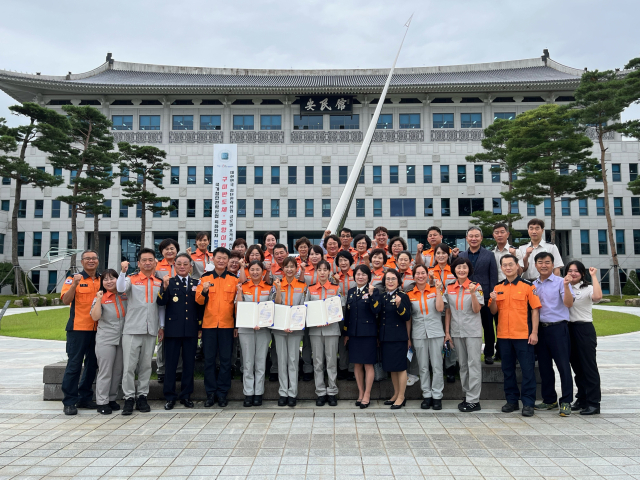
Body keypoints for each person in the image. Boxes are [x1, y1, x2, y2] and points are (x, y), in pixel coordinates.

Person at [489, 254, 541, 417]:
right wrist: (493, 301)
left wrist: (534, 332)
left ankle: (528, 403)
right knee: (508, 370)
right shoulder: (498, 287)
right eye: (504, 265)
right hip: (504, 336)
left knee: (527, 370)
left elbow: (535, 309)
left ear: (518, 266)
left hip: (524, 336)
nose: (508, 267)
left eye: (510, 264)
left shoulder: (527, 286)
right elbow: (493, 312)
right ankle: (511, 401)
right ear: (501, 268)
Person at [117, 248, 163, 415]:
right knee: (129, 367)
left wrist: (161, 327)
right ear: (139, 263)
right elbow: (121, 289)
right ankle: (129, 398)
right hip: (132, 329)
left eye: (151, 260)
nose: (147, 263)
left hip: (151, 330)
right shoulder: (131, 279)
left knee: (145, 366)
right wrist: (122, 272)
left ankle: (142, 396)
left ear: (155, 262)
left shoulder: (159, 282)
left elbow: (161, 307)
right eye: (144, 260)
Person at [155, 253, 200, 410]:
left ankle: (186, 395)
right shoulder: (169, 282)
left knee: (189, 364)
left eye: (185, 264)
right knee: (171, 364)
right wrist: (165, 288)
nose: (182, 266)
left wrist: (199, 326)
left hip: (191, 329)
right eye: (179, 264)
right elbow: (161, 302)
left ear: (190, 266)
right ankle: (170, 396)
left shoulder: (196, 283)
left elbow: (200, 307)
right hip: (172, 330)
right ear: (174, 266)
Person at [195, 247, 239, 408]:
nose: (221, 261)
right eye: (218, 258)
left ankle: (222, 393)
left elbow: (236, 305)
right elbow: (198, 301)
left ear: (228, 261)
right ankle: (210, 393)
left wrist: (236, 325)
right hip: (209, 326)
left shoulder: (234, 280)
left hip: (227, 326)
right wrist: (205, 290)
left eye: (224, 258)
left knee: (226, 361)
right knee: (209, 361)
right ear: (212, 260)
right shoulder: (204, 278)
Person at [532, 252, 574, 417]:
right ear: (535, 265)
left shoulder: (561, 282)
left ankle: (566, 401)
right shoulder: (533, 285)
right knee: (544, 367)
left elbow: (568, 304)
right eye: (540, 262)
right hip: (540, 330)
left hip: (558, 329)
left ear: (553, 264)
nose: (544, 265)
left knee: (563, 366)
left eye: (547, 262)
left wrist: (565, 286)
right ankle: (549, 400)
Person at [60, 250, 101, 415]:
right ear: (82, 261)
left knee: (92, 365)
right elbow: (65, 300)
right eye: (87, 258)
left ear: (98, 261)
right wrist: (75, 285)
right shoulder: (73, 279)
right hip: (78, 329)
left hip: (98, 329)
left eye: (94, 258)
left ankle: (85, 397)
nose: (91, 261)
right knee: (74, 365)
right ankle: (69, 401)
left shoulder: (101, 279)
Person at [445, 258, 484, 412]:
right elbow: (448, 311)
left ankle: (474, 400)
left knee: (473, 364)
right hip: (456, 331)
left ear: (469, 270)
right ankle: (467, 395)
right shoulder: (449, 288)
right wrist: (447, 332)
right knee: (462, 364)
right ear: (454, 270)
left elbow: (476, 310)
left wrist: (473, 294)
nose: (461, 270)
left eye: (465, 268)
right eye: (459, 268)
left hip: (472, 331)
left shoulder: (477, 286)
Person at [456, 227, 498, 365]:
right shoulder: (461, 255)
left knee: (488, 326)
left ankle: (488, 353)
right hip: (466, 296)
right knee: (468, 326)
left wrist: (491, 295)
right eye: (471, 236)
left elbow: (493, 276)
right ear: (466, 238)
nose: (473, 238)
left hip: (484, 296)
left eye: (476, 236)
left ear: (481, 238)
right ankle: (467, 353)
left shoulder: (489, 255)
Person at [237, 260, 275, 407]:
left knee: (260, 362)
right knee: (247, 362)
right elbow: (239, 306)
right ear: (248, 271)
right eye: (252, 269)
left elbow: (272, 307)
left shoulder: (269, 288)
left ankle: (258, 393)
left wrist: (263, 322)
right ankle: (248, 393)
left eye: (258, 269)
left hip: (263, 329)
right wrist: (239, 292)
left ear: (263, 271)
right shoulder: (243, 287)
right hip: (246, 329)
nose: (255, 272)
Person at [566, 261, 602, 415]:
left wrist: (594, 276)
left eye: (577, 271)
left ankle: (594, 403)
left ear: (582, 273)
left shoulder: (587, 288)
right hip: (569, 329)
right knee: (577, 368)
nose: (573, 273)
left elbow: (597, 297)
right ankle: (582, 398)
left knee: (589, 367)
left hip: (584, 329)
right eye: (570, 270)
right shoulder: (564, 286)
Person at [407, 264, 445, 410]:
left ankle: (437, 396)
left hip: (435, 332)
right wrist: (408, 337)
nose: (420, 276)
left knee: (437, 365)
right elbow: (409, 318)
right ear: (414, 276)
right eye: (418, 273)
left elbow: (440, 309)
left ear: (427, 275)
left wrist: (439, 290)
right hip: (418, 333)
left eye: (423, 273)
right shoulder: (410, 293)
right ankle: (427, 395)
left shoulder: (435, 290)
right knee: (422, 366)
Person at [344, 265, 381, 409]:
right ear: (354, 276)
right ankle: (360, 392)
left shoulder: (373, 291)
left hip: (368, 333)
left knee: (368, 364)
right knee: (357, 364)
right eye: (358, 274)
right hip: (354, 333)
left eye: (364, 274)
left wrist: (372, 296)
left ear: (368, 277)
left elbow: (377, 309)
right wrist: (346, 333)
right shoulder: (351, 292)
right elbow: (348, 315)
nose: (360, 277)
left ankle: (367, 394)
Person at [90, 269, 126, 415]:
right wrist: (98, 299)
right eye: (105, 279)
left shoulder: (124, 295)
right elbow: (95, 317)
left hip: (123, 337)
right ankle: (102, 401)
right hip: (106, 338)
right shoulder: (101, 297)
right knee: (105, 371)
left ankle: (112, 398)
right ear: (102, 283)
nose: (109, 282)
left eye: (112, 278)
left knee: (117, 371)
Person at [272, 257, 308, 407]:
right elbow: (276, 304)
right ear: (283, 269)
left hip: (295, 327)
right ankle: (283, 392)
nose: (289, 269)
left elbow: (302, 307)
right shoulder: (276, 284)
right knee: (282, 360)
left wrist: (293, 324)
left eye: (292, 267)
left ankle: (292, 393)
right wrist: (279, 289)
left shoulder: (302, 285)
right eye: (287, 267)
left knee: (292, 360)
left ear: (296, 269)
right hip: (280, 327)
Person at [306, 260, 341, 406]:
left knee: (331, 362)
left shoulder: (335, 288)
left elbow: (340, 308)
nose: (322, 272)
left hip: (331, 329)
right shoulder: (310, 289)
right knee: (318, 362)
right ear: (316, 272)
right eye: (319, 270)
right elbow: (306, 308)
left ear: (329, 272)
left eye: (325, 270)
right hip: (315, 330)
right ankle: (320, 392)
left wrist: (330, 318)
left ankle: (332, 391)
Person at [379, 269, 411, 409]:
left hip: (398, 337)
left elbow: (407, 317)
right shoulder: (383, 296)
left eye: (393, 279)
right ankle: (396, 393)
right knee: (392, 368)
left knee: (400, 367)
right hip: (386, 337)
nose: (390, 281)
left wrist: (399, 306)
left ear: (398, 281)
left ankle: (401, 396)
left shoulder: (403, 296)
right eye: (388, 279)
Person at [154, 238, 180, 384]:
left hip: (179, 305)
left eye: (172, 248)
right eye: (166, 249)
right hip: (162, 304)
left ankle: (179, 369)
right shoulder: (157, 265)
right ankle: (161, 369)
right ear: (162, 251)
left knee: (179, 337)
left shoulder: (181, 263)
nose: (169, 251)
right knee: (162, 337)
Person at [267, 243, 289, 382]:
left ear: (287, 253)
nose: (279, 255)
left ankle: (291, 368)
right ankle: (275, 368)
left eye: (282, 253)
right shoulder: (271, 270)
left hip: (291, 308)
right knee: (276, 342)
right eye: (277, 254)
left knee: (292, 342)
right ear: (273, 255)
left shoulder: (293, 267)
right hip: (275, 308)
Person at [334, 250, 356, 381]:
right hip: (340, 311)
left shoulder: (357, 274)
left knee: (352, 339)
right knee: (341, 339)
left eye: (345, 260)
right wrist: (336, 283)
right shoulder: (334, 277)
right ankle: (342, 367)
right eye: (340, 260)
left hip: (354, 311)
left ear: (350, 262)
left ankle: (352, 369)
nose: (343, 263)